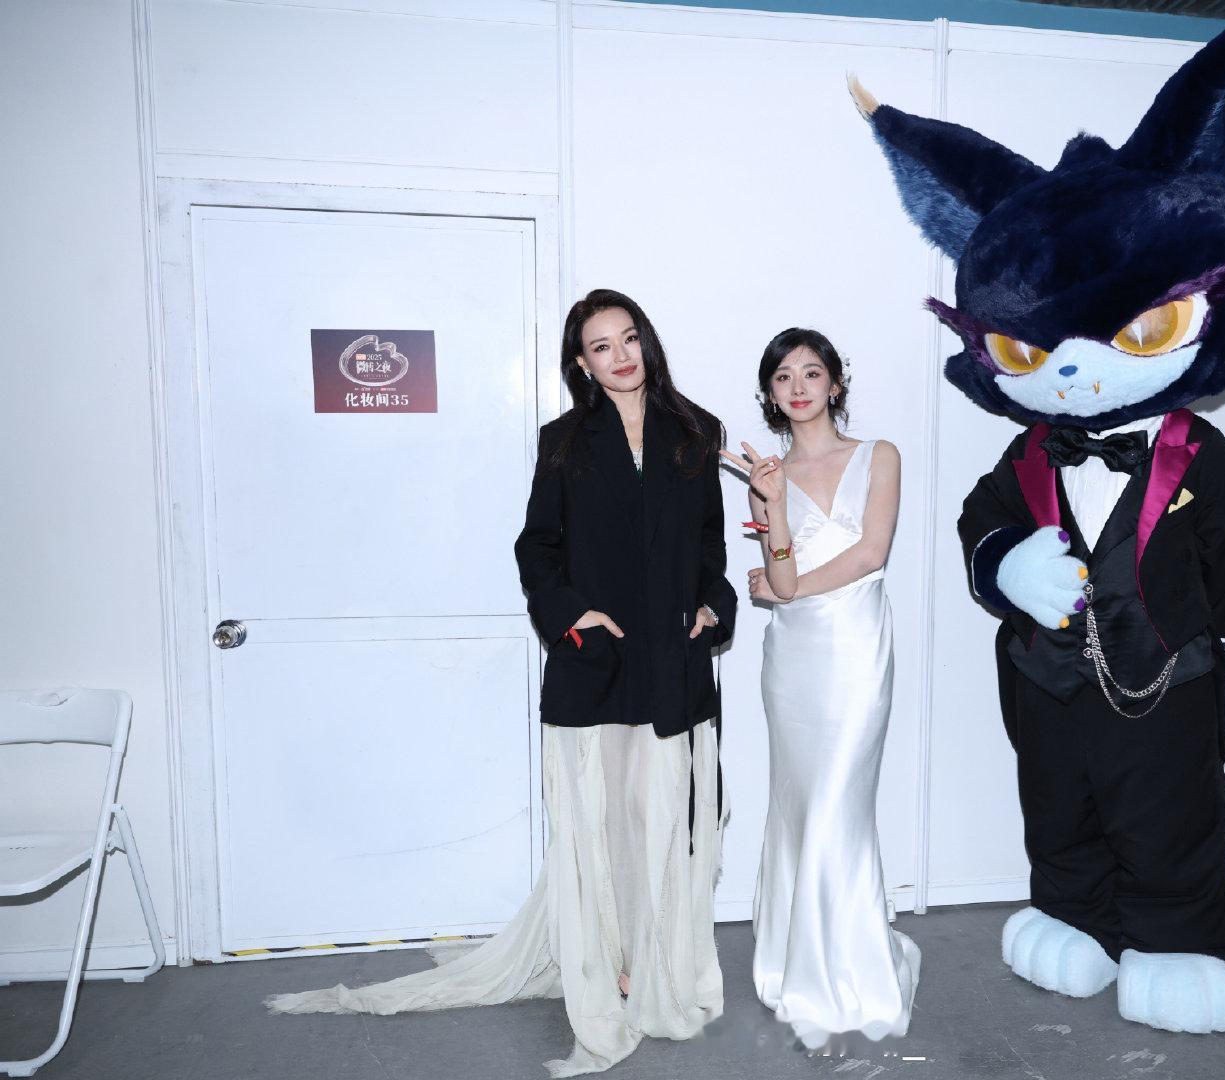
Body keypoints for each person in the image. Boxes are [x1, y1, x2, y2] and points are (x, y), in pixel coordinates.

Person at [266, 289, 737, 1077]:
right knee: (596, 824)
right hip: (597, 663)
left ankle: (654, 963)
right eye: (600, 346)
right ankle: (606, 965)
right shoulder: (563, 440)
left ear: (646, 343)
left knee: (659, 819)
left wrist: (711, 607)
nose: (620, 356)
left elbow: (710, 547)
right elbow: (536, 547)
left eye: (628, 339)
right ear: (580, 362)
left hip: (671, 662)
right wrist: (574, 616)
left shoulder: (695, 433)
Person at [720, 327, 919, 1049]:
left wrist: (789, 588)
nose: (798, 386)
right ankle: (794, 961)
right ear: (770, 394)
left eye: (811, 372)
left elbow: (870, 553)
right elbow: (776, 576)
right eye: (782, 376)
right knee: (801, 805)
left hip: (856, 650)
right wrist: (771, 503)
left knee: (840, 804)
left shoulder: (879, 456)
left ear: (836, 383)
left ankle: (849, 970)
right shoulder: (767, 474)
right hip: (794, 661)